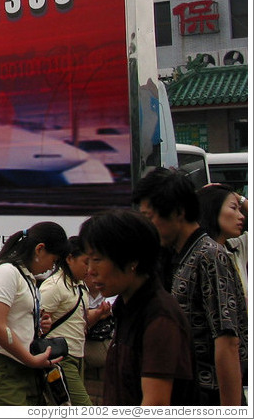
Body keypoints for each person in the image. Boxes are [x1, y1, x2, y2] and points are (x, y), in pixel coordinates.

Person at [134, 167, 247, 405]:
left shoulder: (210, 256)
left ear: (178, 212)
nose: (148, 226)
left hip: (209, 395)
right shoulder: (174, 256)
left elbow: (227, 341)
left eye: (150, 217)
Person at [79, 208, 196, 405]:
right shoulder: (124, 307)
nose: (90, 271)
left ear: (132, 260)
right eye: (88, 260)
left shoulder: (160, 318)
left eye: (97, 260)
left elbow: (155, 404)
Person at [0, 221, 70, 406]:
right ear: (40, 249)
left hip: (24, 365)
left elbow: (13, 321)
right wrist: (31, 360)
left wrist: (38, 323)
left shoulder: (26, 277)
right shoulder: (5, 272)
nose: (51, 268)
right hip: (2, 365)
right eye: (53, 261)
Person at [39, 235, 92, 405]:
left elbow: (82, 319)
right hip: (62, 358)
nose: (89, 269)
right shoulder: (55, 285)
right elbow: (35, 319)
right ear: (70, 258)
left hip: (78, 356)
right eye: (86, 262)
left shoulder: (81, 286)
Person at [198, 184, 248, 299]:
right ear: (213, 209)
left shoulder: (236, 249)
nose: (241, 216)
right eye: (233, 208)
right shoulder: (198, 253)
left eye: (240, 210)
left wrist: (239, 198)